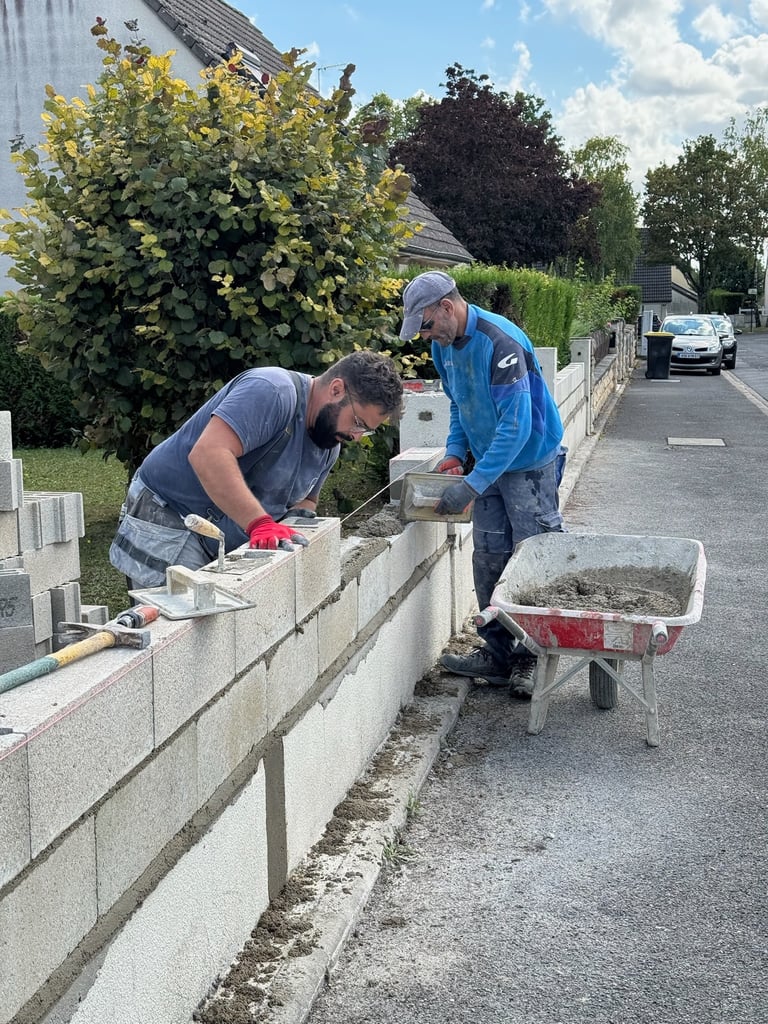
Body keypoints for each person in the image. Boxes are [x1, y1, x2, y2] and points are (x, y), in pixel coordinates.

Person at [399, 270, 566, 698]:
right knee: (489, 556)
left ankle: (531, 658)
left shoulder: (500, 343)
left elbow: (516, 425)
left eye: (428, 325)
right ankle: (497, 655)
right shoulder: (445, 349)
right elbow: (458, 405)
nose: (427, 336)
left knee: (530, 554)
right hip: (486, 464)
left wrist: (473, 484)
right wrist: (455, 453)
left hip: (529, 462)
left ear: (447, 308)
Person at [110, 351, 403, 588]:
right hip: (171, 516)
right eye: (358, 423)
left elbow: (304, 504)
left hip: (220, 533)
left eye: (365, 431)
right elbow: (209, 454)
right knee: (183, 634)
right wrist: (260, 524)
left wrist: (297, 537)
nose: (355, 436)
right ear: (337, 389)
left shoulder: (328, 442)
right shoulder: (272, 391)